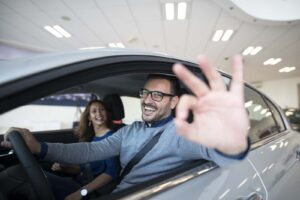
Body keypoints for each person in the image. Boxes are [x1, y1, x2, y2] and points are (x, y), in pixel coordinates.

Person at [2, 55, 249, 194]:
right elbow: (91, 150)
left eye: (158, 95)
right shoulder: (131, 130)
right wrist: (40, 148)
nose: (147, 101)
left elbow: (221, 152)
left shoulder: (182, 133)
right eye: (145, 93)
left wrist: (232, 140)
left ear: (174, 102)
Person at [47, 100, 119, 200]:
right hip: (80, 183)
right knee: (43, 179)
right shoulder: (91, 138)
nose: (98, 113)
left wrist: (81, 193)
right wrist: (64, 167)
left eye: (102, 110)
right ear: (89, 117)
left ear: (106, 113)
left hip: (91, 191)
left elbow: (112, 172)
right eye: (94, 111)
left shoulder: (112, 138)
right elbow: (84, 169)